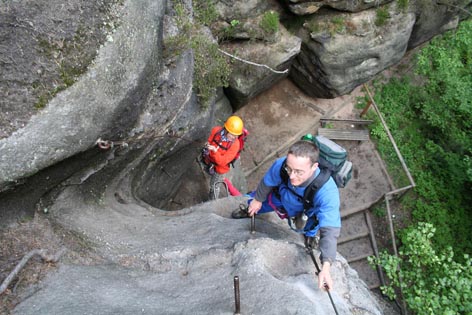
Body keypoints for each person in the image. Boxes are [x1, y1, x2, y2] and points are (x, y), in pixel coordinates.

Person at [231, 140, 340, 290]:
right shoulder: (281, 165)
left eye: (299, 172)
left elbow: (330, 229)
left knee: (307, 227)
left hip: (304, 210)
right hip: (280, 198)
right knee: (257, 204)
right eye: (289, 169)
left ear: (314, 167)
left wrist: (326, 266)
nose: (292, 176)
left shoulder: (327, 192)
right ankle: (248, 210)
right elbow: (268, 182)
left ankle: (309, 236)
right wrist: (257, 200)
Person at [204, 115, 244, 200]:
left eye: (236, 135)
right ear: (226, 130)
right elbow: (209, 140)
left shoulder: (235, 145)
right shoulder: (216, 131)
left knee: (214, 186)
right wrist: (207, 144)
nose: (233, 137)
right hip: (209, 160)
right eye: (232, 134)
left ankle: (211, 204)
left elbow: (222, 162)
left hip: (220, 168)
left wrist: (215, 151)